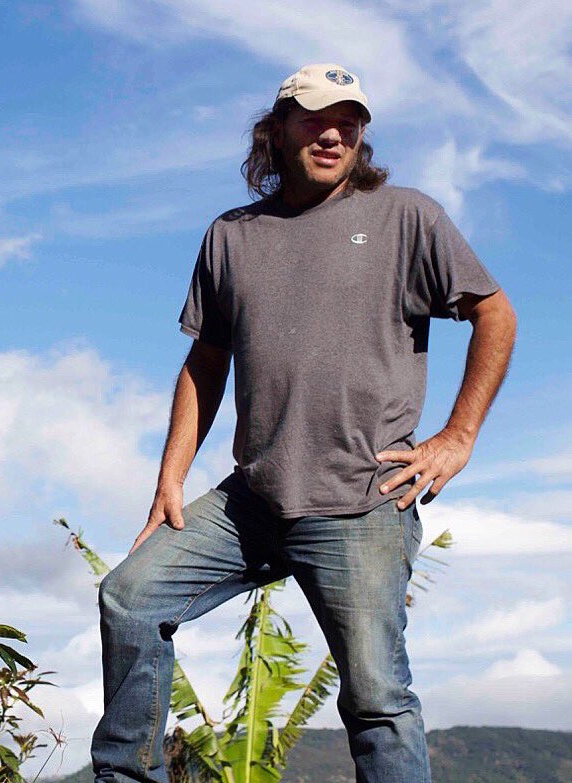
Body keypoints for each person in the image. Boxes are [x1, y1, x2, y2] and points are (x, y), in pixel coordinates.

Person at [91, 63, 517, 783]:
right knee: (130, 597)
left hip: (362, 499)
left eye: (349, 121)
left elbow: (494, 313)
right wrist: (170, 475)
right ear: (279, 128)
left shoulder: (407, 217)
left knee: (378, 699)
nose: (334, 132)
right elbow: (206, 360)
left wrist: (458, 436)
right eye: (316, 117)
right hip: (252, 500)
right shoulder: (232, 235)